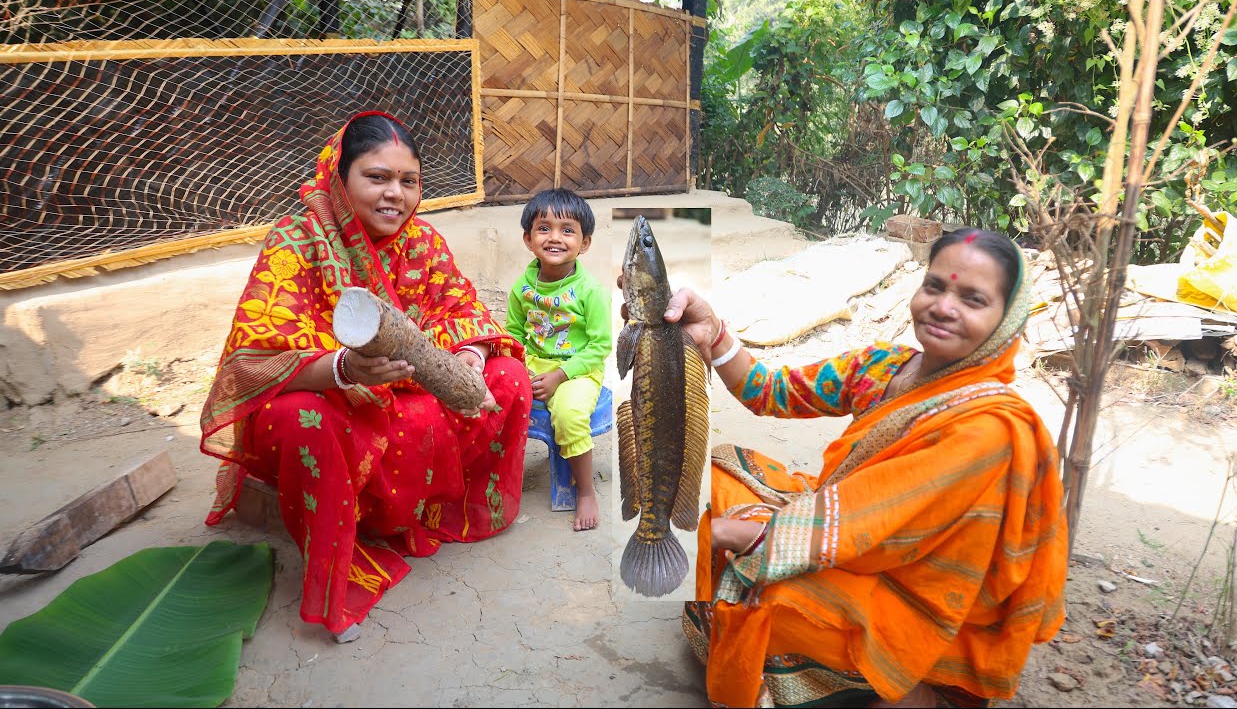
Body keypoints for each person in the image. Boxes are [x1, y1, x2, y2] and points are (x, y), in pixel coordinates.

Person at [627, 228, 1067, 707]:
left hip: (906, 587)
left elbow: (873, 520)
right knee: (714, 476)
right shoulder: (883, 366)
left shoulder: (987, 429)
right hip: (848, 534)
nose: (944, 306)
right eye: (935, 286)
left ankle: (914, 687)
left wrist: (737, 536)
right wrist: (711, 333)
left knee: (754, 590)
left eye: (974, 298)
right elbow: (768, 389)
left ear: (1007, 322)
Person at [199, 111, 532, 643]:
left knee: (509, 375)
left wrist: (468, 353)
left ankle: (438, 514)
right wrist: (342, 368)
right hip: (336, 403)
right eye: (377, 177)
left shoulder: (422, 239)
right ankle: (340, 565)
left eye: (408, 181)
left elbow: (458, 307)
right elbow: (253, 360)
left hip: (409, 389)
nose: (395, 194)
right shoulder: (298, 241)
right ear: (339, 176)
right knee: (299, 419)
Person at [505, 188, 611, 531]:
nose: (555, 237)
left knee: (568, 415)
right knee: (494, 391)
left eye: (568, 230)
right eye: (544, 228)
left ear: (585, 242)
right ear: (528, 238)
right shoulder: (523, 286)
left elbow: (599, 347)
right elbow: (514, 334)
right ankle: (496, 480)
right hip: (534, 364)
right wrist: (518, 369)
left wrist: (560, 376)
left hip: (578, 370)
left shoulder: (591, 291)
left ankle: (584, 491)